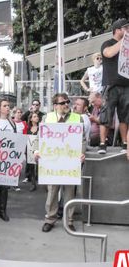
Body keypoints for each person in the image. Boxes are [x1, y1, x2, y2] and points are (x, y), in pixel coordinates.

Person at [36, 93, 86, 233]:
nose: (66, 105)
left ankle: (69, 221)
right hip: (52, 163)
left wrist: (82, 153)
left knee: (69, 192)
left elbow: (82, 139)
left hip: (70, 162)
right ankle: (50, 219)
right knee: (52, 192)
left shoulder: (77, 118)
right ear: (55, 105)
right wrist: (37, 151)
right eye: (63, 103)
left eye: (67, 102)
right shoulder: (48, 117)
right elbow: (40, 137)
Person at [98, 18, 129, 154]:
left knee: (125, 116)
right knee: (106, 114)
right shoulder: (108, 43)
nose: (128, 30)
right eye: (125, 28)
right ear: (117, 30)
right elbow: (108, 53)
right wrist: (124, 41)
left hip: (126, 85)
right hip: (111, 84)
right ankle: (102, 144)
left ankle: (124, 143)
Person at [23, 112, 39, 191]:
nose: (37, 118)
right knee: (31, 167)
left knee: (39, 166)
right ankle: (33, 184)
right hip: (29, 149)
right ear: (31, 119)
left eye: (37, 116)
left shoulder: (40, 128)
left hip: (38, 149)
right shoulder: (28, 128)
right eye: (35, 116)